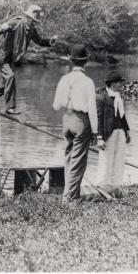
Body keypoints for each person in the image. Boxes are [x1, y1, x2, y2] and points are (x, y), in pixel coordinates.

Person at [52, 44, 98, 202]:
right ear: (85, 62)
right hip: (81, 120)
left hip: (67, 119)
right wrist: (95, 131)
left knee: (69, 158)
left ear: (72, 61)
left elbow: (56, 105)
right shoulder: (88, 82)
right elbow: (92, 109)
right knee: (78, 161)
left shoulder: (64, 79)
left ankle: (73, 194)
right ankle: (69, 198)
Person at [0, 4, 58, 115]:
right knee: (10, 77)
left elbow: (40, 41)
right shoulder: (15, 22)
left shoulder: (32, 30)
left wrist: (50, 42)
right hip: (3, 57)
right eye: (32, 20)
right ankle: (10, 107)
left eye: (35, 21)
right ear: (27, 17)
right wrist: (0, 28)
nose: (33, 23)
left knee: (7, 84)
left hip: (13, 59)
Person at [95, 70, 131, 197]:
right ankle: (102, 186)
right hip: (107, 133)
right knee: (106, 159)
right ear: (113, 84)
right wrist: (99, 137)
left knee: (119, 159)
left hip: (119, 132)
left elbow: (122, 116)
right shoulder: (102, 98)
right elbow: (98, 119)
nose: (122, 85)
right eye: (119, 83)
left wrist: (127, 131)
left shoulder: (118, 97)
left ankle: (116, 186)